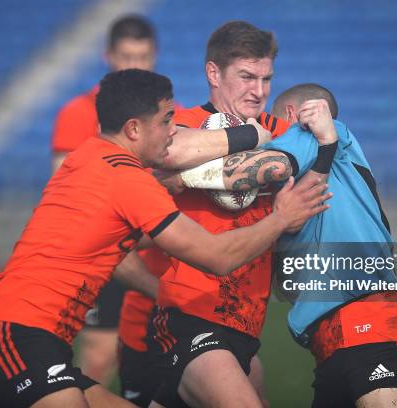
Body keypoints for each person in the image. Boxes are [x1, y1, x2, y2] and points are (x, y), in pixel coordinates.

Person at [0, 69, 329, 408]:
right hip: (12, 339)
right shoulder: (126, 179)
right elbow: (216, 256)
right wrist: (281, 218)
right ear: (134, 129)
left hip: (39, 346)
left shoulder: (89, 156)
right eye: (167, 120)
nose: (174, 131)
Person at [164, 84, 397, 407]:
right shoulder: (329, 163)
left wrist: (182, 177)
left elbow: (256, 168)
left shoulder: (308, 133)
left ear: (291, 116)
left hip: (365, 322)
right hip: (330, 338)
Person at [147, 21, 297, 408]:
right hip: (188, 315)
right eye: (247, 76)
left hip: (246, 323)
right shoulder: (183, 122)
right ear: (213, 73)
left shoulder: (281, 131)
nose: (259, 91)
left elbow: (317, 165)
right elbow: (168, 154)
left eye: (266, 78)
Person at [50, 15, 160, 387]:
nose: (134, 65)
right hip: (103, 256)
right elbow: (66, 194)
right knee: (98, 357)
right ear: (108, 56)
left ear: (154, 57)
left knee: (162, 363)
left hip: (152, 253)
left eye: (142, 56)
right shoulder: (78, 113)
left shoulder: (164, 115)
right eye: (126, 56)